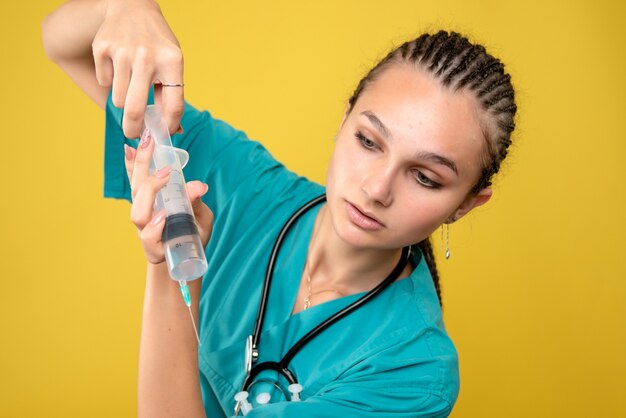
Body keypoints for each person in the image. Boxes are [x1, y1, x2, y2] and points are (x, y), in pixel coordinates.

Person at [42, 1, 517, 416]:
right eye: (369, 141)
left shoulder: (413, 372)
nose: (376, 188)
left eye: (425, 177)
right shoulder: (242, 185)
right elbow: (62, 42)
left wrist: (172, 267)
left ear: (465, 205)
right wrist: (126, 8)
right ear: (344, 117)